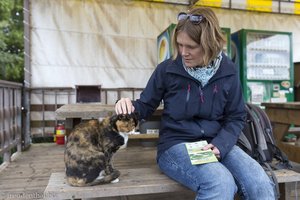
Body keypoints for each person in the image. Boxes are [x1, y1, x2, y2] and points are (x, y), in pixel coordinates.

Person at [115, 7, 275, 200]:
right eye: (180, 45)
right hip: (177, 145)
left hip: (216, 143)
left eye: (191, 47)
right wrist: (127, 105)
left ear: (210, 45)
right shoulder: (167, 70)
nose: (183, 52)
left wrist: (221, 145)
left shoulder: (228, 70)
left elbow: (236, 116)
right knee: (220, 182)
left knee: (260, 182)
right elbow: (144, 106)